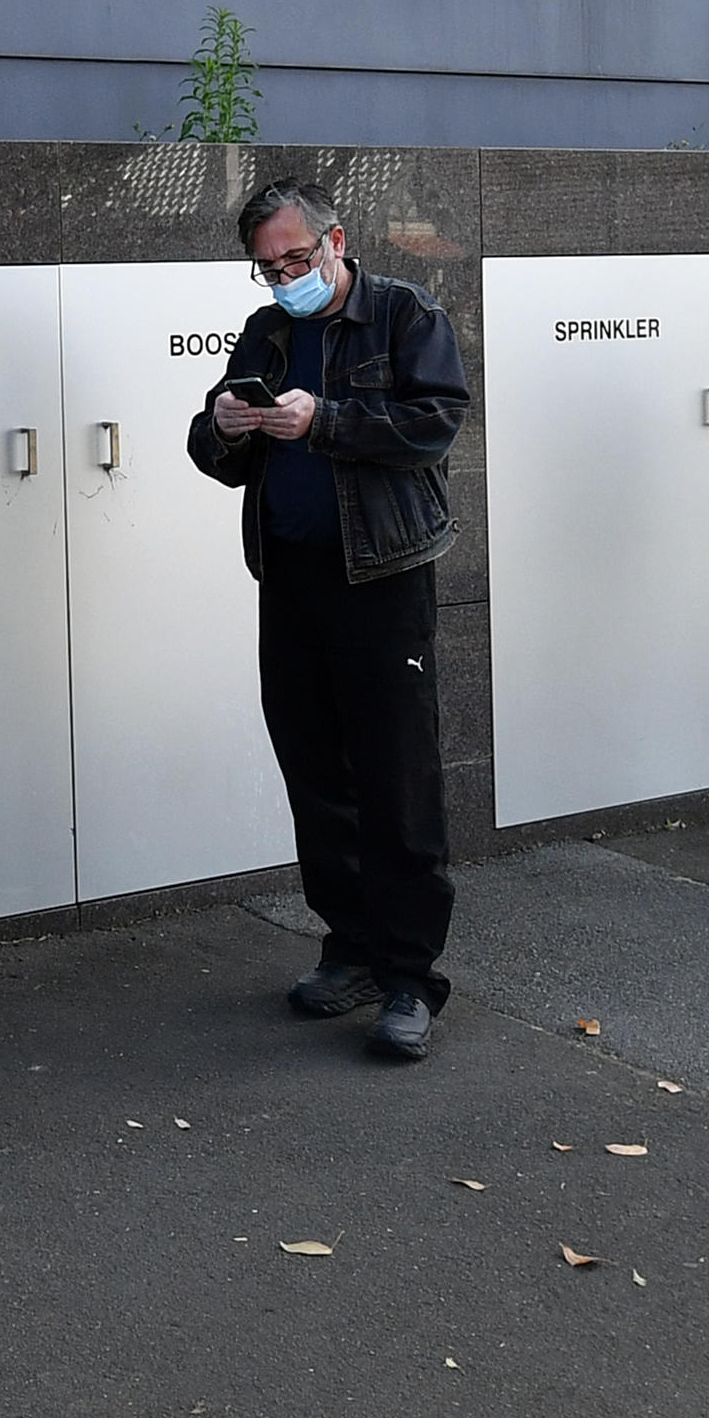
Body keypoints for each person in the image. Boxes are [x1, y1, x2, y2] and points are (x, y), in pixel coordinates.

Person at [188, 178, 476, 1059]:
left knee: (398, 780)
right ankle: (348, 947)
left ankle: (410, 975)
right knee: (315, 773)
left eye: (296, 258)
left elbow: (435, 423)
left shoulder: (404, 313)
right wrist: (224, 424)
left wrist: (327, 420)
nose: (285, 278)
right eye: (268, 267)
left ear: (336, 241)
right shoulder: (267, 330)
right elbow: (213, 454)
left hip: (382, 577)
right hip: (291, 578)